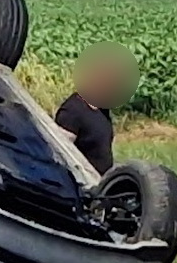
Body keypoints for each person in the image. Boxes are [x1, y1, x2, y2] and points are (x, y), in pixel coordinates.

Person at [54, 43, 138, 174]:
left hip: (100, 185)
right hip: (81, 187)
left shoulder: (102, 110)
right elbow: (60, 154)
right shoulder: (72, 111)